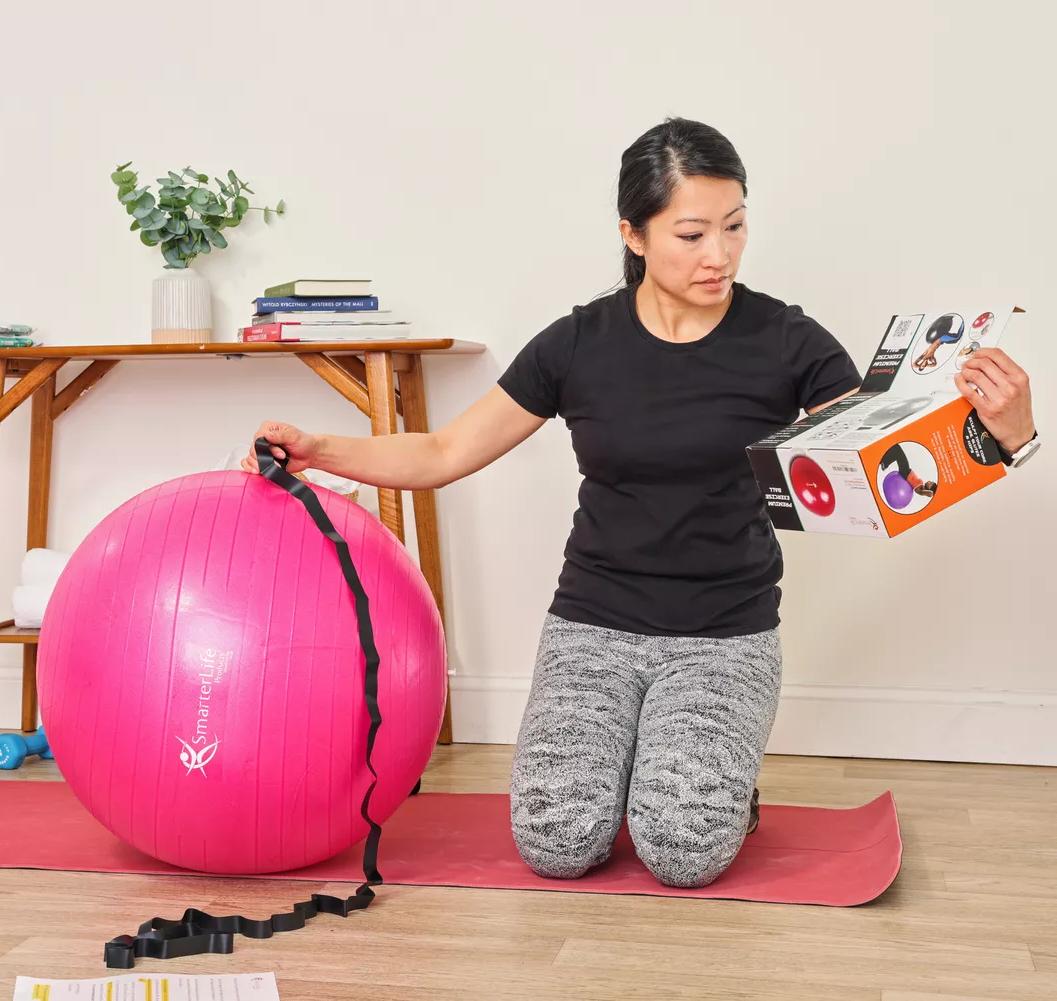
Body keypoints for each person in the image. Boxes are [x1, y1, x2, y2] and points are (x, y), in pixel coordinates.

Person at [243, 117, 1038, 888]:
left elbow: (882, 472)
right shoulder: (579, 341)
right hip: (592, 623)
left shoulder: (788, 342)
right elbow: (446, 451)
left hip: (724, 635)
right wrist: (321, 451)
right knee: (556, 842)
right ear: (633, 234)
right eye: (692, 234)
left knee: (682, 853)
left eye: (734, 226)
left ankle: (702, 779)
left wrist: (1006, 438)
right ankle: (630, 761)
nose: (719, 253)